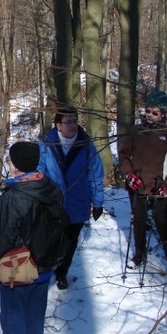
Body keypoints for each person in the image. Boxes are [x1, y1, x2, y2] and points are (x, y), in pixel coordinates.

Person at [0, 142, 67, 334]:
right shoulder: (50, 187)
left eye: (10, 159)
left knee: (13, 318)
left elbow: (0, 237)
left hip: (18, 268)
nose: (8, 162)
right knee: (35, 312)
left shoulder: (13, 198)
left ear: (17, 166)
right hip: (46, 263)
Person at [37, 106, 104, 290]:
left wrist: (98, 202)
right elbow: (39, 172)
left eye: (75, 121)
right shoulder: (46, 144)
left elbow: (95, 175)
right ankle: (47, 268)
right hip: (52, 203)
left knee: (70, 241)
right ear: (58, 125)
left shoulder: (86, 145)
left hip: (78, 201)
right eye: (68, 121)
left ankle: (62, 273)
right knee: (50, 239)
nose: (72, 125)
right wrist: (39, 197)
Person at [118, 91, 167, 276]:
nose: (150, 115)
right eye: (147, 111)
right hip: (137, 183)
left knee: (162, 224)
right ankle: (139, 254)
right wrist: (129, 174)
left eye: (155, 112)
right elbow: (123, 155)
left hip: (159, 185)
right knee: (138, 220)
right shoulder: (136, 131)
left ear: (163, 114)